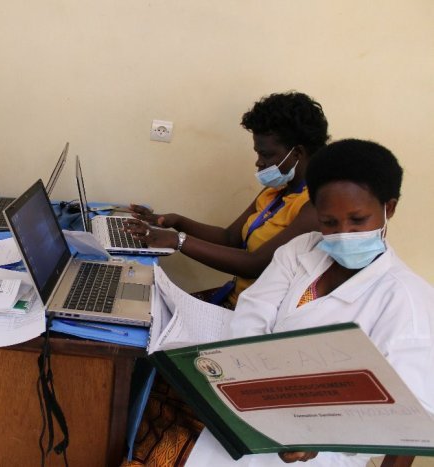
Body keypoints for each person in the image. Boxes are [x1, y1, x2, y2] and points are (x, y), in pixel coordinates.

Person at [134, 139, 434, 466]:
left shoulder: (408, 301)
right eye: (329, 222)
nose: (343, 233)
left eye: (358, 220)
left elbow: (411, 421)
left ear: (389, 209)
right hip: (254, 407)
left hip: (322, 450)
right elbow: (251, 317)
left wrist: (320, 437)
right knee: (148, 405)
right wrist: (248, 380)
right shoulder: (302, 250)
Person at [125, 92, 329, 307]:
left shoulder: (314, 206)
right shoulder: (276, 191)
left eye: (267, 155)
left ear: (297, 153)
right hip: (235, 297)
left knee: (147, 310)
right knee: (145, 304)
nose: (259, 163)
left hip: (258, 314)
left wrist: (177, 241)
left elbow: (254, 265)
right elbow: (230, 237)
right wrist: (177, 221)